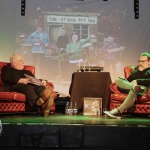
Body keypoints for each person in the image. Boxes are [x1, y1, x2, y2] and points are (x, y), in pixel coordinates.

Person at [104, 52, 150, 119]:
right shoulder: (136, 71)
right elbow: (128, 81)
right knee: (118, 79)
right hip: (131, 87)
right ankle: (134, 87)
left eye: (143, 61)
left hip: (142, 88)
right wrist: (138, 73)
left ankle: (118, 111)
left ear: (149, 61)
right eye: (139, 61)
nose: (140, 63)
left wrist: (138, 81)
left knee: (134, 90)